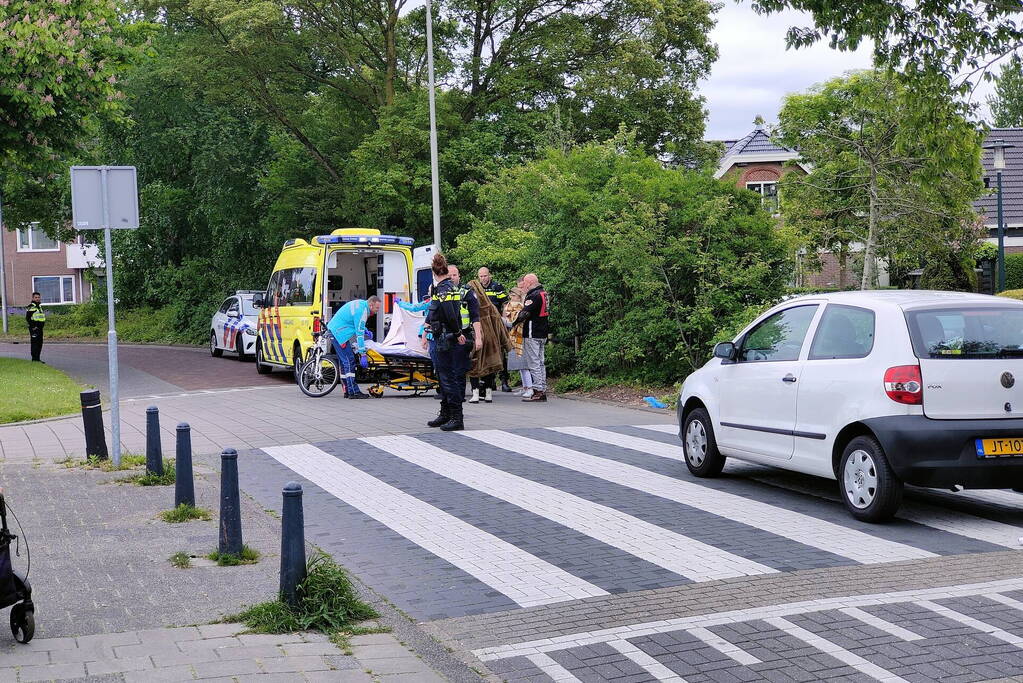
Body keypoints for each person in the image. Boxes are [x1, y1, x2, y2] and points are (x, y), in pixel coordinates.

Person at [425, 254, 482, 431]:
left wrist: (459, 333)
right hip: (444, 336)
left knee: (451, 379)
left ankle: (457, 418)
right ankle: (446, 414)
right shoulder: (441, 288)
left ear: (434, 272)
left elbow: (451, 314)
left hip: (451, 337)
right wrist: (425, 329)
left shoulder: (445, 289)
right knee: (444, 378)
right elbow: (433, 312)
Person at [325, 295, 381, 399]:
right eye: (377, 308)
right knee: (349, 361)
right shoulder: (363, 311)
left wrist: (365, 329)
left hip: (336, 331)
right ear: (371, 304)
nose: (377, 311)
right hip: (339, 334)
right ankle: (353, 392)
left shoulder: (361, 304)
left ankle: (347, 390)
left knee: (344, 362)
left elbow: (354, 321)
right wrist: (363, 353)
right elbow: (359, 335)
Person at [467, 276, 511, 403]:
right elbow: (499, 325)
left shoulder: (472, 306)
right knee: (489, 367)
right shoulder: (490, 306)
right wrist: (504, 342)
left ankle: (475, 393)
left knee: (474, 365)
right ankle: (488, 393)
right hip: (492, 341)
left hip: (477, 338)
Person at [514, 273, 549, 402]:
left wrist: (513, 323)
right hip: (543, 332)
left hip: (532, 332)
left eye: (525, 283)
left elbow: (524, 313)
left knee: (534, 362)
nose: (525, 286)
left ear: (528, 283)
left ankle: (538, 390)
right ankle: (542, 388)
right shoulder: (544, 293)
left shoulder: (533, 295)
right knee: (540, 362)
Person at [477, 267, 512, 392]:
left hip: (495, 323)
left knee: (500, 352)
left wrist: (503, 319)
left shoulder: (497, 287)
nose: (483, 279)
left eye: (485, 276)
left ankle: (504, 381)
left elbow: (505, 304)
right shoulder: (477, 288)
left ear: (489, 275)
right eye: (481, 276)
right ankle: (489, 381)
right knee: (486, 353)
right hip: (482, 324)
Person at [503, 285, 533, 397]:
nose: (511, 297)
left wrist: (501, 319)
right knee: (520, 366)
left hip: (520, 337)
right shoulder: (511, 307)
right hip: (515, 337)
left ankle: (530, 388)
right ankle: (525, 387)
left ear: (519, 297)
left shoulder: (519, 307)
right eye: (510, 295)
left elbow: (511, 323)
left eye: (513, 295)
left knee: (524, 365)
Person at [25, 292, 45, 363]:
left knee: (39, 343)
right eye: (36, 297)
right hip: (34, 329)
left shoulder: (39, 306)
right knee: (35, 343)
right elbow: (28, 318)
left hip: (40, 329)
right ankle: (34, 359)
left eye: (38, 297)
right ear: (33, 298)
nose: (37, 299)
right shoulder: (31, 306)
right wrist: (33, 326)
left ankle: (38, 358)